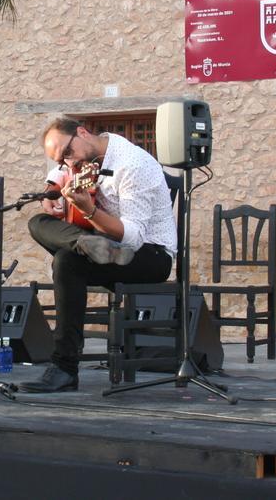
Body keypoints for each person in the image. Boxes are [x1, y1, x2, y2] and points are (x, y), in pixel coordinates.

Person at [19, 117, 178, 393]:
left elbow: (133, 237)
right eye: (61, 160)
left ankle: (65, 368)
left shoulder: (132, 165)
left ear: (83, 133)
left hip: (148, 255)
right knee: (37, 223)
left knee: (67, 262)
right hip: (104, 245)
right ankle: (83, 243)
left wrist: (90, 211)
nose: (68, 163)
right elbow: (60, 173)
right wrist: (50, 191)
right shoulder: (85, 154)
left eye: (68, 154)